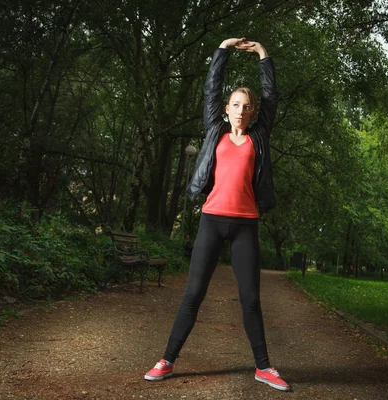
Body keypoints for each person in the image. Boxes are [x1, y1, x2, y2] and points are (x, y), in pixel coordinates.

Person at [144, 38, 289, 392]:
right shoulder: (215, 130)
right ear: (226, 108)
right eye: (235, 105)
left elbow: (271, 96)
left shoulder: (259, 136)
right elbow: (211, 87)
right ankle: (167, 360)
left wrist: (262, 54)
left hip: (245, 226)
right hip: (211, 220)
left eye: (247, 106)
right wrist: (222, 48)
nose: (241, 111)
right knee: (193, 294)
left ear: (254, 112)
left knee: (251, 299)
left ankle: (263, 367)